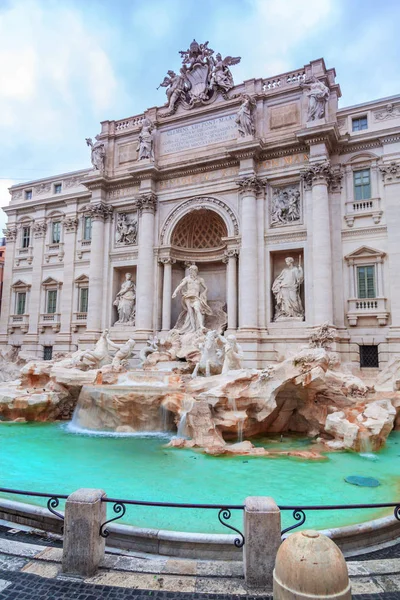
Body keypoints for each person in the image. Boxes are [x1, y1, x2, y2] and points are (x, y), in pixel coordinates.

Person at [172, 265, 213, 333]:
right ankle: (193, 328)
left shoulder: (200, 279)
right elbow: (180, 286)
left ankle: (201, 325)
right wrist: (175, 292)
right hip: (188, 296)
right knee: (190, 312)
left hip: (196, 297)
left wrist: (203, 294)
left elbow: (206, 288)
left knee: (197, 309)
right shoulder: (187, 279)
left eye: (192, 271)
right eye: (190, 271)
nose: (191, 272)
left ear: (196, 271)